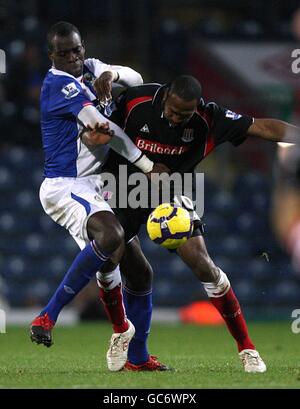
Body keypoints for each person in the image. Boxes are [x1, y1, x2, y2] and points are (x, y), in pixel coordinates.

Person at [90, 75, 300, 373]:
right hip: (124, 190)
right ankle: (120, 332)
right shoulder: (136, 102)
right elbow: (101, 125)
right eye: (173, 111)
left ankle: (247, 348)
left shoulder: (209, 118)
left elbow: (262, 127)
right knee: (111, 259)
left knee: (203, 264)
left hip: (170, 197)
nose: (177, 119)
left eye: (184, 115)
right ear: (165, 99)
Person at [29, 21, 167, 372]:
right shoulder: (58, 84)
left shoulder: (89, 69)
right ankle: (47, 316)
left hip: (93, 185)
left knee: (137, 271)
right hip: (66, 186)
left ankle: (132, 350)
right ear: (52, 56)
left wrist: (108, 72)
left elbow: (134, 78)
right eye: (64, 53)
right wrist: (147, 165)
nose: (73, 58)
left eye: (77, 50)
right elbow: (105, 128)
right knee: (111, 236)